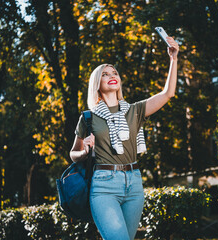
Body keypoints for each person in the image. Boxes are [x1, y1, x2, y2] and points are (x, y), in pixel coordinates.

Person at [70, 36, 179, 240]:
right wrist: (85, 150)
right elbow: (73, 155)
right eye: (105, 74)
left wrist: (173, 59)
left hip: (134, 184)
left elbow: (167, 94)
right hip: (104, 186)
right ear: (97, 84)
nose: (112, 75)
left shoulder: (135, 111)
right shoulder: (88, 117)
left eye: (114, 73)